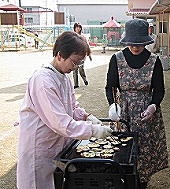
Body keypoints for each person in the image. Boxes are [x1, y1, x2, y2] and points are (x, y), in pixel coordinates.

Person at [17, 31, 113, 189]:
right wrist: (93, 130)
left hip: (57, 144)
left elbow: (72, 106)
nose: (76, 67)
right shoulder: (43, 81)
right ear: (60, 55)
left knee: (57, 183)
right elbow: (60, 122)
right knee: (38, 184)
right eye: (75, 62)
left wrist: (87, 117)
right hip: (39, 147)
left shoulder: (64, 77)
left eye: (80, 64)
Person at [105, 19, 168, 189]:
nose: (135, 47)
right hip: (123, 111)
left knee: (145, 149)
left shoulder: (154, 61)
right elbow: (110, 87)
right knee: (124, 148)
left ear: (146, 42)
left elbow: (159, 90)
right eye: (132, 43)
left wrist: (153, 106)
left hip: (146, 113)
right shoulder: (116, 59)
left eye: (139, 43)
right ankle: (124, 181)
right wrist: (112, 105)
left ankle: (142, 183)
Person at [73, 22, 91, 88]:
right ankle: (76, 84)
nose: (78, 28)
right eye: (77, 27)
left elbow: (86, 45)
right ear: (74, 28)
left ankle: (84, 79)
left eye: (79, 27)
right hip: (74, 55)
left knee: (81, 69)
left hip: (81, 55)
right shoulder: (72, 36)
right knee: (74, 70)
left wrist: (89, 54)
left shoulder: (83, 37)